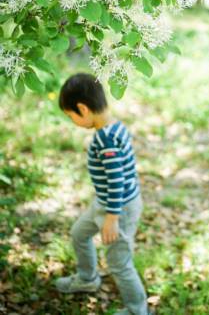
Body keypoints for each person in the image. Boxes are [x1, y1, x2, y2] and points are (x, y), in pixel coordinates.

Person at [55, 72, 150, 315]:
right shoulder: (114, 127)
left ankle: (137, 310)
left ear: (82, 109)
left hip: (119, 208)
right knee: (80, 233)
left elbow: (117, 180)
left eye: (70, 116)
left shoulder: (106, 139)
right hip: (105, 202)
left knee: (119, 263)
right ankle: (87, 278)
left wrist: (112, 217)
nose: (72, 121)